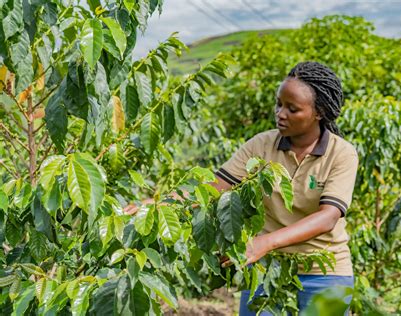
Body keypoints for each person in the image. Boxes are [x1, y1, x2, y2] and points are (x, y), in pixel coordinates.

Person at [125, 61, 358, 315]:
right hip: (266, 269)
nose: (280, 113)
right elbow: (213, 187)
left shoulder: (341, 153)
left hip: (325, 272)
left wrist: (264, 242)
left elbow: (328, 217)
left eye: (292, 109)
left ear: (319, 113)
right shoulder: (262, 145)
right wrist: (157, 204)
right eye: (279, 104)